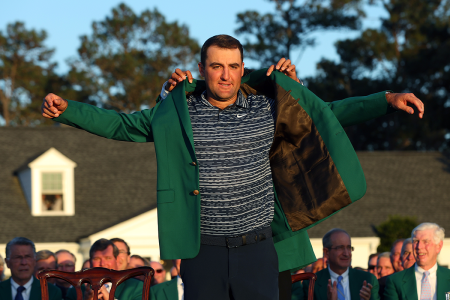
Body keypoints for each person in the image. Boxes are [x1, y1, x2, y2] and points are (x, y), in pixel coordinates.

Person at [41, 34, 424, 300]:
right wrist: (69, 111)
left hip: (257, 247)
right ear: (201, 68)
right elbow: (122, 124)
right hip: (202, 249)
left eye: (233, 66)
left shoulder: (267, 108)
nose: (225, 75)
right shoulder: (179, 114)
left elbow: (330, 113)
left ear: (243, 69)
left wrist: (386, 99)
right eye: (216, 66)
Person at [301, 229, 379, 300]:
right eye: (340, 248)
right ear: (326, 252)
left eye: (349, 248)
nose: (346, 253)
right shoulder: (312, 283)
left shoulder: (368, 280)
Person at [384, 223, 450, 300]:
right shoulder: (395, 281)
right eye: (416, 241)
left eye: (425, 241)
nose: (419, 246)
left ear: (439, 246)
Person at [66, 239, 143, 300]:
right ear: (90, 262)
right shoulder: (76, 290)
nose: (102, 263)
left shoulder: (136, 287)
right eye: (97, 259)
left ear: (116, 260)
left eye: (108, 258)